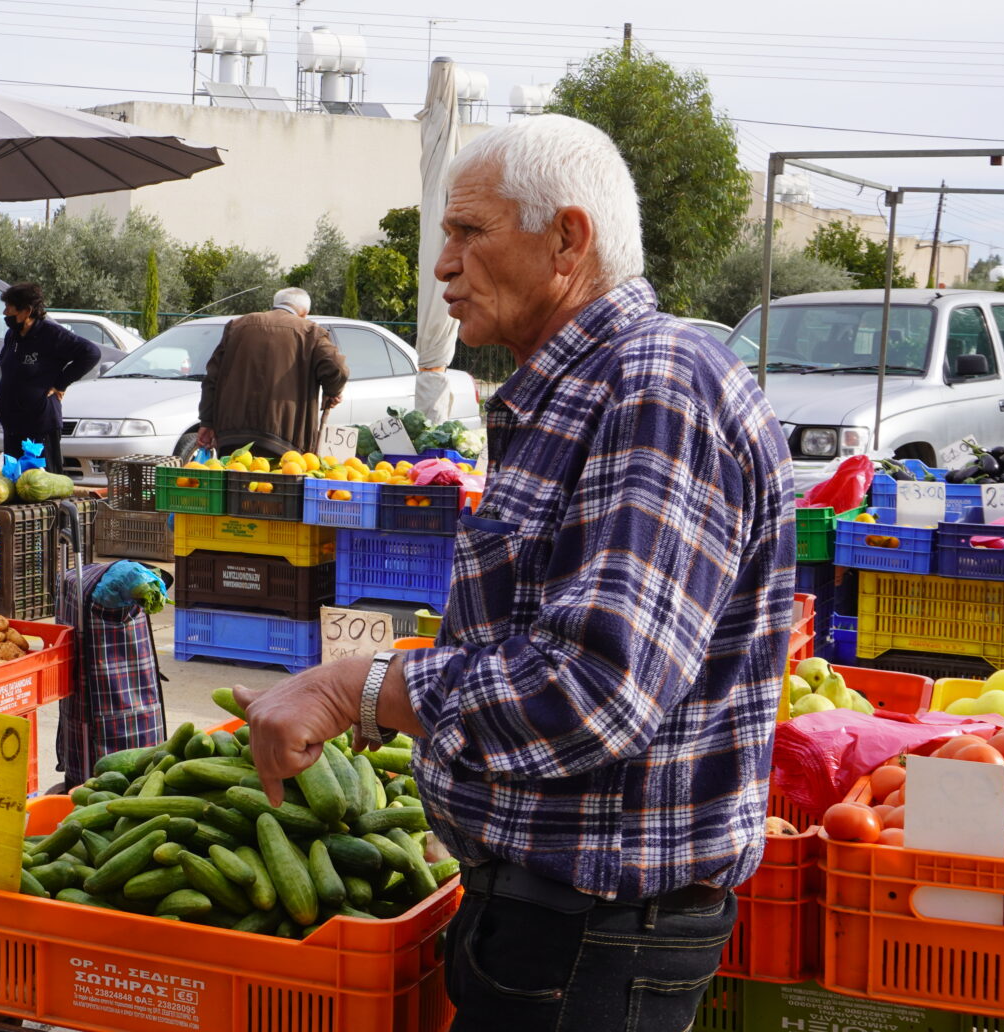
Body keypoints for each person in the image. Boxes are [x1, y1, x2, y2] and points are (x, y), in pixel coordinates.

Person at [232, 116, 794, 1032]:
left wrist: (356, 688)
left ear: (568, 240)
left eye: (469, 232)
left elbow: (595, 690)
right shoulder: (587, 386)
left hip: (593, 939)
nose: (443, 265)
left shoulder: (653, 388)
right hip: (556, 925)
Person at [195, 287, 347, 457]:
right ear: (305, 313)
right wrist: (332, 391)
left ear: (275, 304)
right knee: (278, 476)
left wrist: (207, 422)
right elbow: (337, 367)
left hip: (232, 435)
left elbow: (212, 378)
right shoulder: (311, 332)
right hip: (285, 440)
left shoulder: (237, 326)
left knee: (234, 473)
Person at [0, 282, 99, 473]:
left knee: (42, 482)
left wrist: (61, 384)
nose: (5, 312)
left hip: (39, 425)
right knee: (14, 481)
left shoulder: (52, 335)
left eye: (9, 307)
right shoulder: (12, 335)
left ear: (27, 311)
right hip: (12, 425)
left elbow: (91, 353)